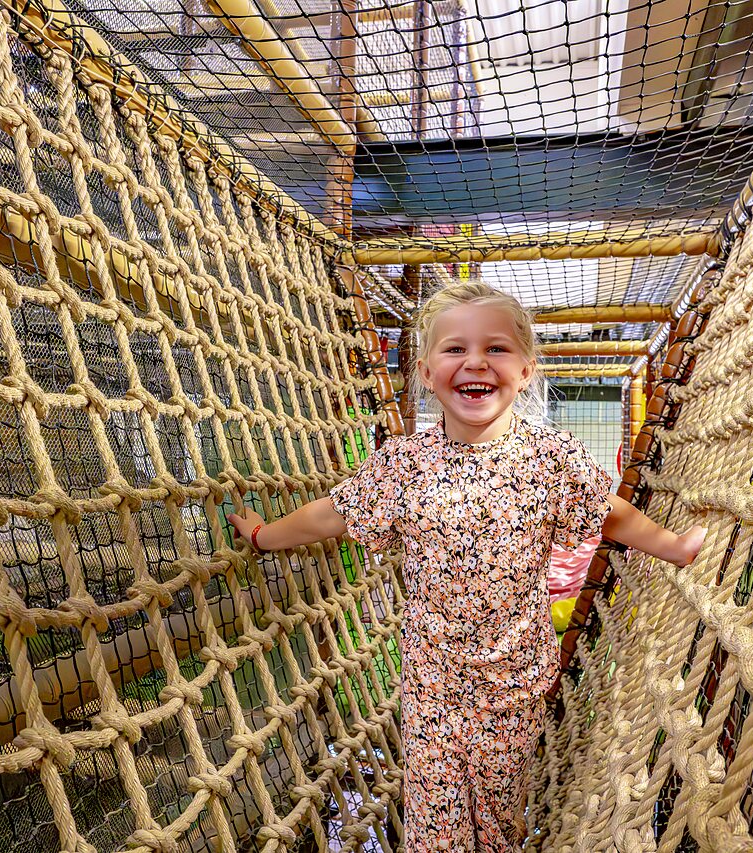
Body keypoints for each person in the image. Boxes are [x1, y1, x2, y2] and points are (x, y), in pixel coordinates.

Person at [227, 281, 705, 852]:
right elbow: (330, 515)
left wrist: (673, 545)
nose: (475, 361)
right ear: (427, 372)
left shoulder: (550, 458)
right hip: (434, 680)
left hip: (516, 678)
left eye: (496, 349)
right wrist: (264, 534)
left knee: (499, 819)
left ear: (526, 370)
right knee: (437, 825)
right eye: (455, 349)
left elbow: (611, 513)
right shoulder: (405, 464)